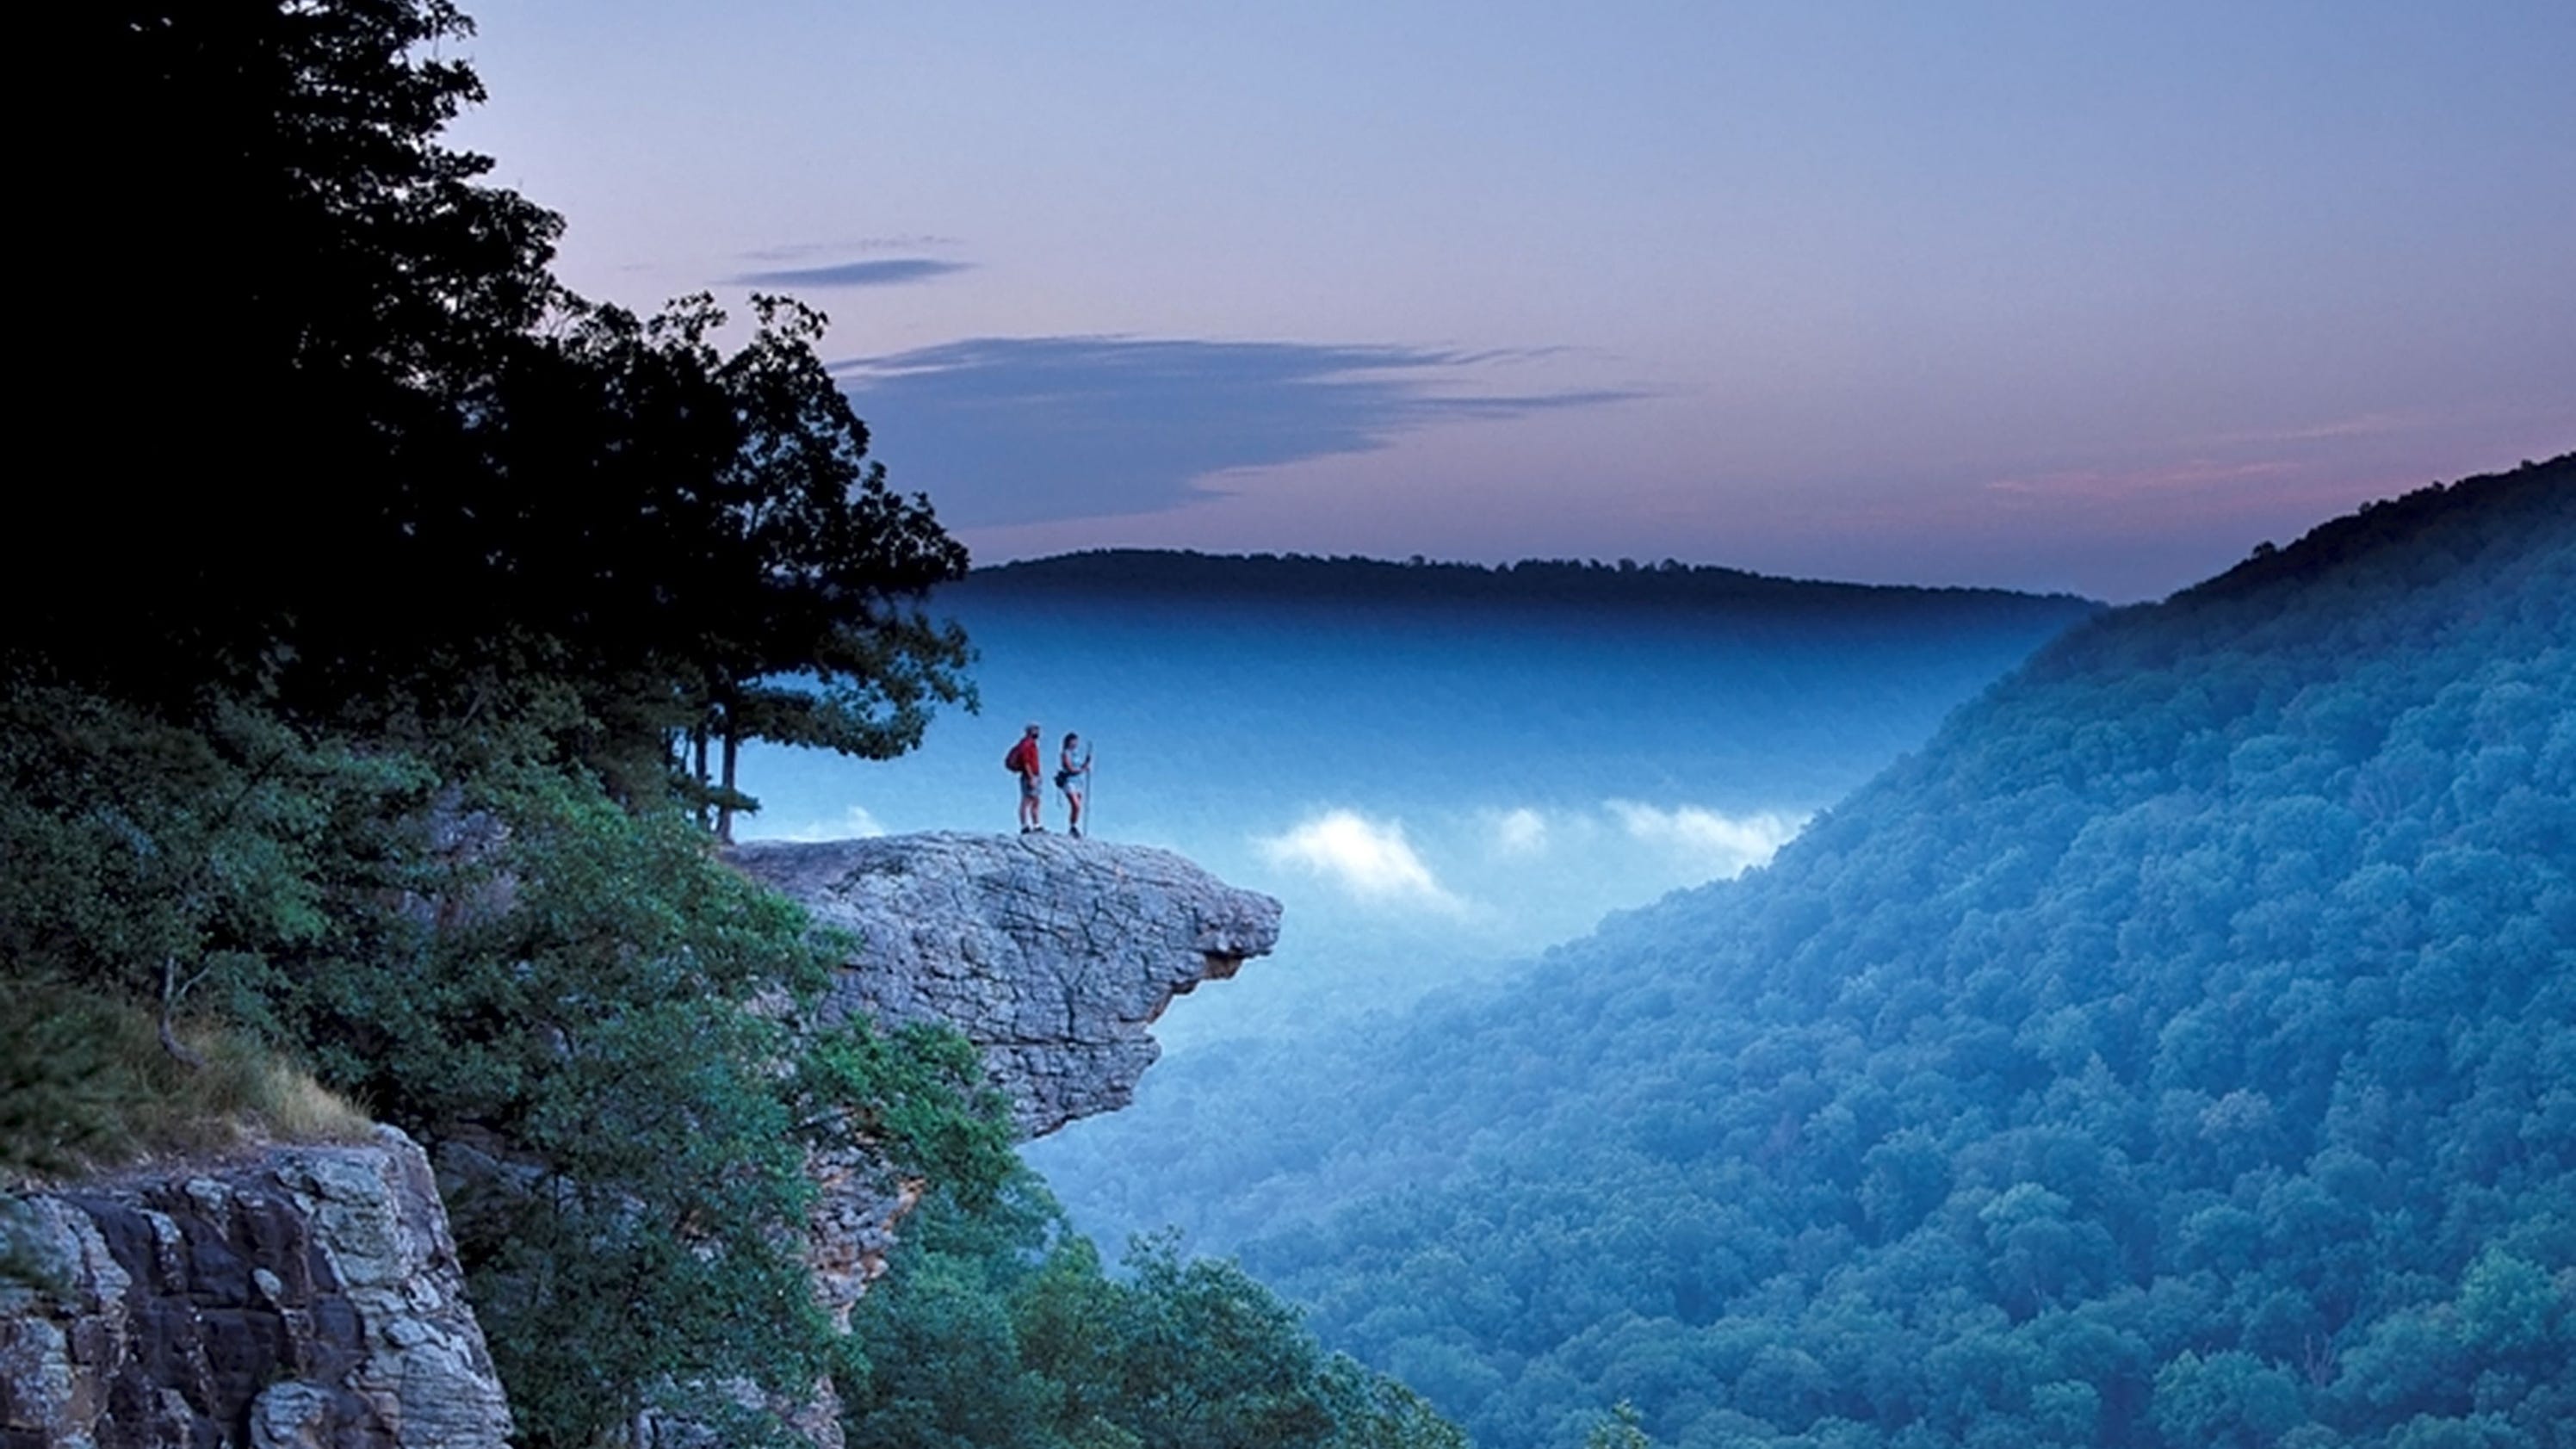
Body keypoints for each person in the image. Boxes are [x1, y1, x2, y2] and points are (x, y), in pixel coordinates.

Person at [1007, 723, 1044, 832]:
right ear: (1029, 731)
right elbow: (1026, 761)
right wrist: (1031, 777)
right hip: (1030, 774)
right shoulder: (1027, 744)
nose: (1038, 732)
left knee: (1035, 800)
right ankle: (1025, 826)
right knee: (1027, 800)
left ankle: (1036, 824)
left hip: (1034, 774)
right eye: (1035, 730)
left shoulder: (1031, 744)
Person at [1056, 732, 1093, 838]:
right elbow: (1069, 768)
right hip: (1069, 781)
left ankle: (1073, 826)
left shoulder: (1075, 754)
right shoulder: (1065, 753)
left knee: (1077, 807)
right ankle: (1073, 826)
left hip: (1078, 782)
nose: (1075, 743)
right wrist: (1082, 769)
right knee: (1075, 805)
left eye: (1076, 741)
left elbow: (1080, 766)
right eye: (1073, 741)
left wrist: (1087, 762)